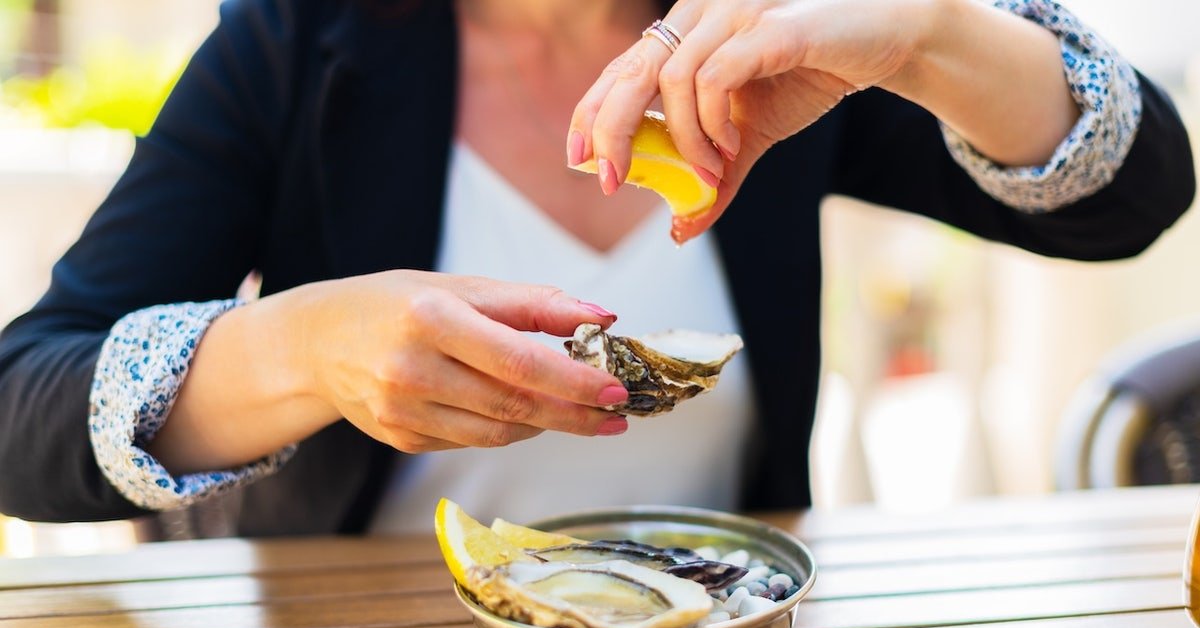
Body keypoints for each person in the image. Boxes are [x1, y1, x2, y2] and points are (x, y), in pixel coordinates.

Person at [0, 0, 1192, 536]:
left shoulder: (768, 33)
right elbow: (23, 405)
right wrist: (301, 350)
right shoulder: (293, 44)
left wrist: (929, 32)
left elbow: (1129, 198)